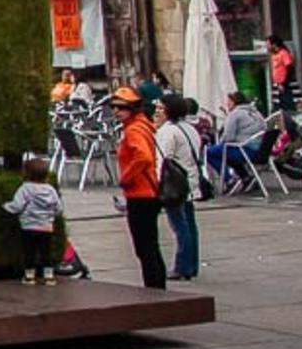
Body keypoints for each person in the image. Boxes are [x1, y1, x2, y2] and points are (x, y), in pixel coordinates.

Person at [112, 86, 167, 290]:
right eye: (114, 107)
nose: (116, 111)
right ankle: (157, 286)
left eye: (121, 107)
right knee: (150, 245)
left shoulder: (134, 129)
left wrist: (126, 177)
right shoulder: (143, 125)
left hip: (140, 193)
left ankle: (154, 288)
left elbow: (142, 156)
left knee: (145, 247)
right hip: (149, 191)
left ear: (132, 109)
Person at [155, 94, 201, 282]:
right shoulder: (190, 129)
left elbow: (163, 160)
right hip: (190, 180)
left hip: (175, 184)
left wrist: (157, 185)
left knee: (179, 225)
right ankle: (191, 265)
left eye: (160, 108)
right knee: (189, 225)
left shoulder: (167, 132)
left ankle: (182, 266)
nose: (156, 112)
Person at [3, 157, 62, 286]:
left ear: (26, 174)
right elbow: (58, 207)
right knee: (46, 252)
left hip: (28, 227)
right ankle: (49, 276)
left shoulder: (25, 189)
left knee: (29, 252)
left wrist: (5, 206)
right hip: (46, 227)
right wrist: (52, 216)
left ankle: (30, 276)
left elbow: (17, 206)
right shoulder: (50, 190)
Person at [205, 91, 266, 193]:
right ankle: (245, 177)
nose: (227, 104)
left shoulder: (235, 115)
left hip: (245, 150)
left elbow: (228, 137)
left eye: (228, 102)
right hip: (261, 150)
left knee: (209, 152)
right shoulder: (257, 113)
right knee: (225, 152)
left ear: (234, 102)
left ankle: (229, 180)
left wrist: (220, 142)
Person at [267, 34, 298, 112]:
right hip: (277, 84)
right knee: (277, 105)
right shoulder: (273, 55)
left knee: (287, 105)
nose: (267, 47)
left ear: (274, 44)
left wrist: (284, 83)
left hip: (284, 84)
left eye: (268, 44)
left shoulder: (283, 53)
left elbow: (290, 68)